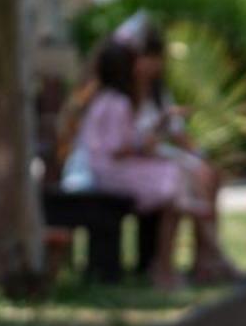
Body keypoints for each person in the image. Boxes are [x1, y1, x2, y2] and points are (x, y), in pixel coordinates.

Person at [66, 31, 233, 289]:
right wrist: (146, 143)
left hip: (116, 169)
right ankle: (174, 263)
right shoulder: (117, 102)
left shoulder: (117, 99)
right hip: (110, 173)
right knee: (177, 185)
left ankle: (194, 258)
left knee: (185, 179)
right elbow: (116, 148)